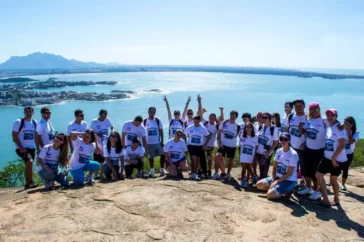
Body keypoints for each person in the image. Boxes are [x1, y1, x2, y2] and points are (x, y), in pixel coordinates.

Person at [315, 109, 347, 206]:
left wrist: (333, 158)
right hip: (327, 157)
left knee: (333, 180)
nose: (329, 116)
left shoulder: (339, 129)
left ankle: (336, 198)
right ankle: (325, 198)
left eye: (332, 115)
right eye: (328, 115)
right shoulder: (329, 127)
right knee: (318, 176)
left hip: (337, 159)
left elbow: (342, 145)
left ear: (336, 116)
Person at [256, 132, 299, 199]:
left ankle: (288, 190)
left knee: (270, 195)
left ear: (289, 141)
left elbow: (289, 173)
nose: (283, 141)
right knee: (259, 185)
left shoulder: (293, 154)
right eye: (281, 139)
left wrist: (276, 182)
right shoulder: (279, 151)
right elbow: (274, 167)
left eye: (285, 139)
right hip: (278, 177)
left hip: (289, 180)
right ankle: (279, 191)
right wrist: (273, 180)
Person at [297, 102, 326, 200]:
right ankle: (308, 188)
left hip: (319, 150)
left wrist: (342, 125)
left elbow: (336, 124)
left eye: (316, 108)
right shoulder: (310, 121)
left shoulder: (324, 121)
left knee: (316, 171)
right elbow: (303, 132)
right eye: (312, 109)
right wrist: (300, 127)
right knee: (307, 170)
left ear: (319, 109)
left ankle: (317, 191)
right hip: (308, 149)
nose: (315, 111)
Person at [12, 106, 38, 189]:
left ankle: (27, 184)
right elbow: (14, 135)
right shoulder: (19, 122)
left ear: (33, 112)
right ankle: (31, 182)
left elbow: (36, 136)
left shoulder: (34, 122)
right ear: (24, 112)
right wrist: (20, 147)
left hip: (32, 147)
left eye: (30, 111)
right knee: (30, 161)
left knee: (28, 164)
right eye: (27, 111)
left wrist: (38, 147)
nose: (29, 113)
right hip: (21, 148)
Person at [212, 110, 240, 180]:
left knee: (231, 160)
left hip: (232, 145)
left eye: (234, 116)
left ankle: (228, 173)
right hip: (223, 144)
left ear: (236, 117)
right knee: (217, 156)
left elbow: (240, 136)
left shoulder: (237, 126)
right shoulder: (224, 123)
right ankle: (216, 173)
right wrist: (220, 143)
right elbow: (219, 132)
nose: (232, 117)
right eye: (231, 115)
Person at [284, 99, 307, 180]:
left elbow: (309, 132)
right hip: (291, 146)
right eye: (296, 106)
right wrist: (286, 142)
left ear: (304, 106)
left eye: (300, 106)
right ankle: (292, 181)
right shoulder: (291, 116)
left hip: (302, 147)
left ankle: (303, 182)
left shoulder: (307, 117)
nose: (298, 108)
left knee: (303, 165)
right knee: (292, 165)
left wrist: (305, 143)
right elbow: (286, 129)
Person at [184, 116, 210, 180]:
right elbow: (184, 134)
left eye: (197, 121)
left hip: (199, 146)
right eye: (195, 121)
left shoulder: (202, 128)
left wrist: (205, 145)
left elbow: (208, 136)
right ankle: (193, 174)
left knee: (197, 160)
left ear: (199, 121)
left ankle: (195, 174)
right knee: (194, 160)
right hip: (191, 146)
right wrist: (186, 142)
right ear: (193, 120)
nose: (196, 122)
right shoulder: (190, 127)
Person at [90, 109, 114, 179]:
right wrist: (98, 134)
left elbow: (112, 127)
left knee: (104, 159)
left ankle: (101, 174)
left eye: (105, 116)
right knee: (97, 159)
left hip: (106, 142)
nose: (104, 118)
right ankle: (93, 174)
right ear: (99, 115)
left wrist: (112, 132)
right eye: (102, 116)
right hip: (98, 142)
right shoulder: (94, 121)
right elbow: (91, 132)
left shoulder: (107, 120)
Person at [144, 107, 166, 177]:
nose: (152, 113)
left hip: (157, 142)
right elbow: (142, 132)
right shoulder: (144, 121)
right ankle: (152, 171)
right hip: (149, 143)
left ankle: (162, 169)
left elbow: (161, 131)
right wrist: (144, 143)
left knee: (163, 155)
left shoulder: (157, 120)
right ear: (148, 112)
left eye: (153, 112)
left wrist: (162, 140)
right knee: (151, 157)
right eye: (151, 112)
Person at [256, 112, 279, 180]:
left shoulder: (273, 129)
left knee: (264, 168)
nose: (263, 119)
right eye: (262, 117)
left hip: (266, 152)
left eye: (265, 117)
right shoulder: (260, 127)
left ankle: (263, 182)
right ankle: (262, 181)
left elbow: (276, 142)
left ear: (270, 119)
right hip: (259, 151)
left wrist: (269, 151)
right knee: (261, 167)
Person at [341, 116, 360, 190]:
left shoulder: (356, 132)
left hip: (349, 153)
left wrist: (348, 131)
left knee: (345, 169)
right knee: (335, 167)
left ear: (352, 124)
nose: (345, 123)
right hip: (340, 151)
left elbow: (351, 141)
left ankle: (343, 184)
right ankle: (332, 180)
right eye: (344, 122)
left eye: (347, 122)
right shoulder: (341, 130)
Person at [239, 122, 258, 188]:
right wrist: (240, 155)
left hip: (251, 155)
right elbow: (241, 146)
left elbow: (256, 147)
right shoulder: (242, 135)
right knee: (244, 167)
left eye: (250, 127)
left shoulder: (255, 137)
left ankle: (247, 180)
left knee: (249, 167)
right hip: (243, 155)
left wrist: (254, 157)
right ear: (245, 128)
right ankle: (242, 180)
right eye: (247, 127)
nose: (248, 128)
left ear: (252, 128)